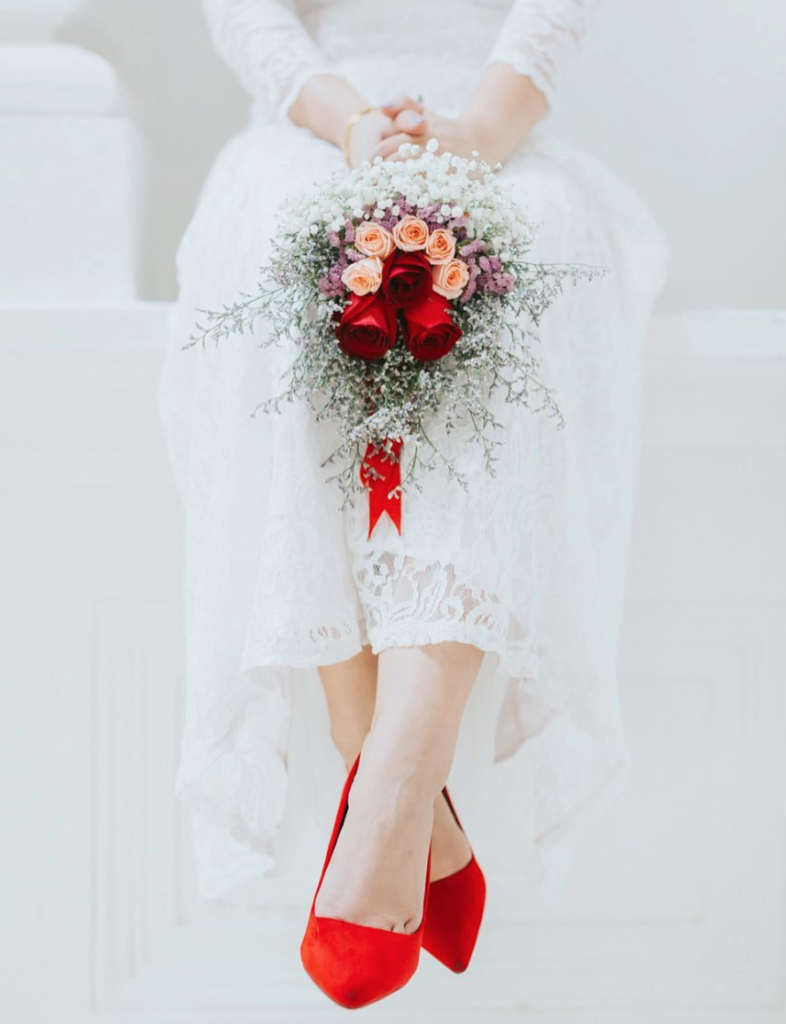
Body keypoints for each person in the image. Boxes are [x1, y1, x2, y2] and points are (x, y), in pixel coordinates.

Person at [157, 0, 670, 1007]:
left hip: (493, 121)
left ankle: (391, 788)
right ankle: (402, 805)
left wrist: (474, 133)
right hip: (315, 124)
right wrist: (352, 122)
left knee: (529, 245)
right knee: (282, 242)